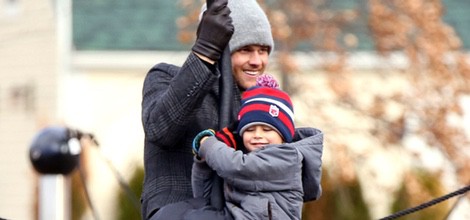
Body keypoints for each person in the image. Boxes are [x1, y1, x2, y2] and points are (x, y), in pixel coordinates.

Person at [140, 0, 275, 219]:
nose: (256, 61)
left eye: (263, 50)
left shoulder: (261, 106)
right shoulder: (165, 78)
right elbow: (160, 129)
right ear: (220, 48)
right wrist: (205, 53)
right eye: (245, 50)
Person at [153, 76, 323, 219]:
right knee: (172, 212)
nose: (257, 135)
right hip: (237, 215)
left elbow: (238, 166)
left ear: (284, 136)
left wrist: (208, 145)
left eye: (266, 129)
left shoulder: (287, 157)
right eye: (250, 129)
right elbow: (204, 194)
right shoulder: (245, 155)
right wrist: (203, 164)